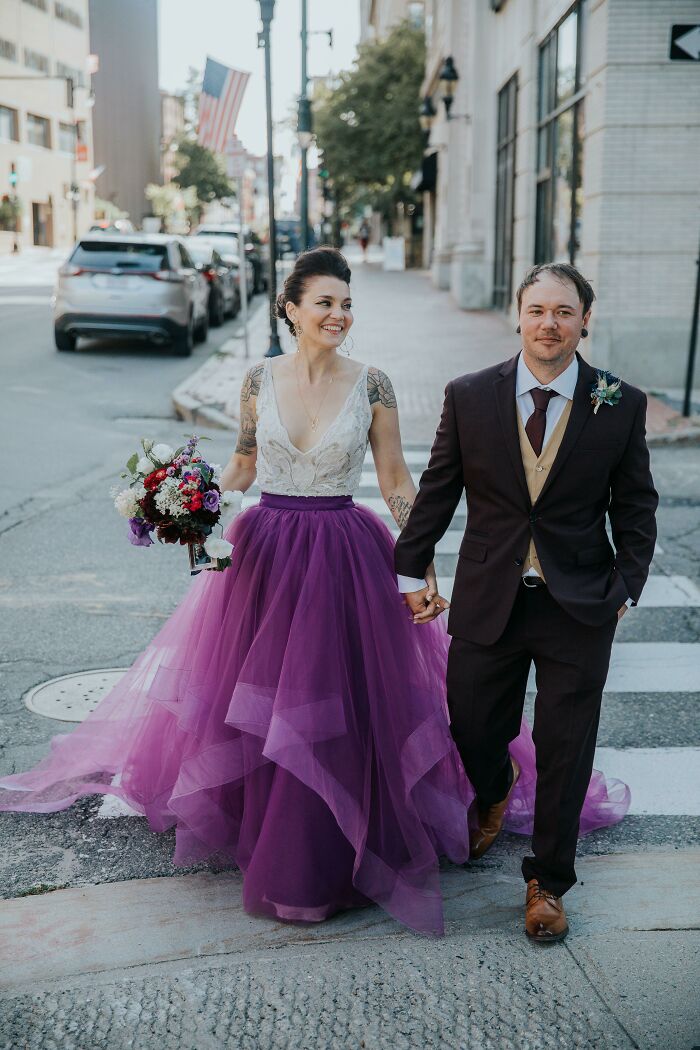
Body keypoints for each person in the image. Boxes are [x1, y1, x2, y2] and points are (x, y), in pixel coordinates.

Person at [0, 250, 629, 938]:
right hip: (263, 555)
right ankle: (272, 833)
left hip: (344, 553)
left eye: (347, 303)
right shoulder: (254, 380)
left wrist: (420, 566)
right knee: (261, 704)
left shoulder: (375, 385)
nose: (338, 314)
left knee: (342, 708)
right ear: (290, 308)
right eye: (324, 302)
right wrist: (186, 503)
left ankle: (339, 846)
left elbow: (396, 480)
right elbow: (241, 465)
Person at [395, 262, 657, 942]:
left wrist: (626, 584)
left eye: (564, 312)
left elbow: (636, 506)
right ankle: (495, 782)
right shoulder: (471, 395)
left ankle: (548, 882)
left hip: (580, 603)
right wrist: (407, 570)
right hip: (491, 596)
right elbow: (439, 491)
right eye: (538, 310)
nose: (550, 323)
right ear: (518, 315)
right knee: (473, 724)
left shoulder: (619, 402)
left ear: (583, 321)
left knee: (567, 746)